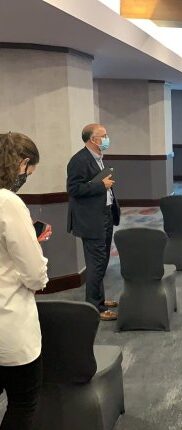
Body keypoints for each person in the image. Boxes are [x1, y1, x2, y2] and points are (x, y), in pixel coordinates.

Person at [0, 132, 49, 429]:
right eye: (29, 172)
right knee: (22, 403)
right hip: (8, 320)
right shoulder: (9, 202)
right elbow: (34, 274)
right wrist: (34, 245)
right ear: (22, 163)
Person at [67, 124, 120, 321]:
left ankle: (100, 299)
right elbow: (74, 189)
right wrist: (100, 185)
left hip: (104, 214)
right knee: (95, 263)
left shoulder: (98, 158)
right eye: (103, 136)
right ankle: (94, 308)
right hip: (91, 220)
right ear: (92, 139)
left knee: (102, 261)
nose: (107, 138)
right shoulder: (79, 160)